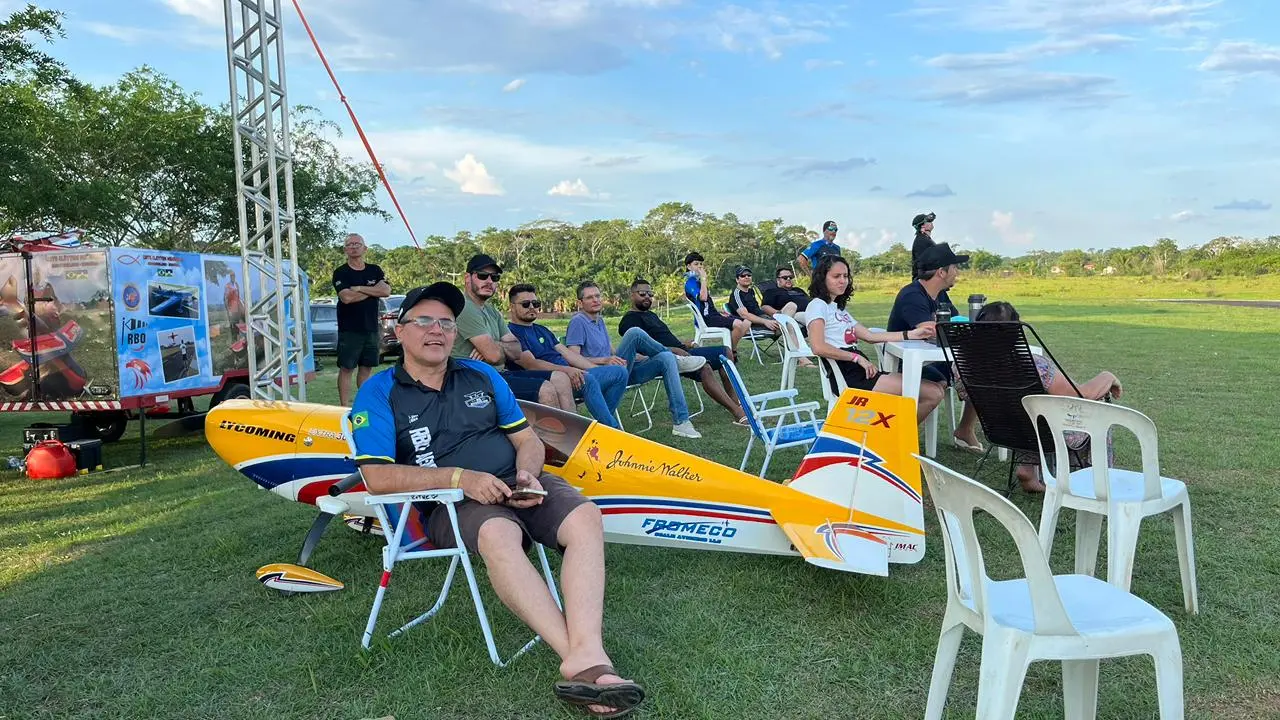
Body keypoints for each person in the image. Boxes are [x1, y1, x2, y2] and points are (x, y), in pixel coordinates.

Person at [349, 282, 645, 717]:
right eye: (425, 321)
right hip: (451, 501)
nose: (437, 331)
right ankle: (587, 664)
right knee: (498, 533)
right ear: (401, 329)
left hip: (518, 482)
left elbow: (526, 438)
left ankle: (586, 652)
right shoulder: (379, 391)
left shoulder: (481, 374)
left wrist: (529, 471)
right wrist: (460, 478)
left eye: (447, 323)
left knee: (585, 517)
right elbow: (375, 476)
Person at [957, 301, 1122, 494]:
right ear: (1016, 332)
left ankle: (1027, 470)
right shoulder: (1034, 366)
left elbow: (963, 395)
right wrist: (1107, 376)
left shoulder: (963, 366)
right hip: (1047, 434)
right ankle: (1100, 485)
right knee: (1098, 411)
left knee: (1024, 412)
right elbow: (1081, 395)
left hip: (1003, 431)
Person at [805, 255, 943, 424]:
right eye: (836, 276)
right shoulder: (817, 305)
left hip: (860, 371)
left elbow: (870, 336)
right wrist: (856, 358)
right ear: (822, 279)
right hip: (848, 374)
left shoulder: (838, 310)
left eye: (845, 276)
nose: (843, 281)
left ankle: (892, 437)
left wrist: (911, 334)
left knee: (936, 389)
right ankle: (896, 439)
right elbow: (818, 347)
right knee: (932, 393)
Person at [565, 281, 706, 439]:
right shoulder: (578, 322)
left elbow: (611, 351)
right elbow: (574, 358)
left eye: (597, 296)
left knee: (665, 359)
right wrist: (604, 360)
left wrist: (637, 357)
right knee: (634, 333)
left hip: (621, 370)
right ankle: (676, 359)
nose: (596, 300)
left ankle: (681, 422)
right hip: (601, 374)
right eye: (590, 297)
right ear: (580, 303)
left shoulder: (599, 320)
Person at [617, 278, 749, 426]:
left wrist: (684, 343)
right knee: (704, 367)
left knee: (725, 352)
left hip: (683, 351)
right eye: (642, 293)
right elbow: (641, 350)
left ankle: (736, 400)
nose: (647, 297)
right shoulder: (629, 321)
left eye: (650, 294)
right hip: (668, 358)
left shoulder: (651, 315)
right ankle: (737, 412)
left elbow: (665, 337)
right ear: (632, 295)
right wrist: (673, 350)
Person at [453, 254, 576, 411]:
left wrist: (495, 344)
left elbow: (517, 351)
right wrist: (499, 349)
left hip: (498, 374)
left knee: (560, 378)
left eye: (495, 277)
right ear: (467, 278)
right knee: (545, 389)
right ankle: (551, 435)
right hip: (475, 380)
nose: (489, 281)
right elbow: (494, 356)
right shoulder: (465, 307)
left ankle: (574, 435)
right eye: (482, 276)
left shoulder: (492, 311)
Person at [886, 242, 981, 444]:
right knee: (936, 388)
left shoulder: (941, 294)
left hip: (935, 359)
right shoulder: (912, 295)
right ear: (941, 272)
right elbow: (931, 331)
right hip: (910, 365)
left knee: (980, 371)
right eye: (955, 267)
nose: (957, 272)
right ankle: (894, 440)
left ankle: (965, 429)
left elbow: (954, 324)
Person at [505, 283, 630, 428]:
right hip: (552, 381)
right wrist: (568, 370)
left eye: (536, 303)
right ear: (512, 307)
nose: (532, 307)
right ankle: (613, 430)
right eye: (526, 304)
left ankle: (604, 425)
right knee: (587, 379)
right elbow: (531, 364)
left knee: (619, 372)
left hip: (573, 374)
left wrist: (595, 368)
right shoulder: (511, 333)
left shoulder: (542, 330)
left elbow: (568, 354)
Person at [332, 233, 391, 406]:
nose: (353, 246)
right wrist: (372, 290)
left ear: (365, 248)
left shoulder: (375, 270)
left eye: (357, 244)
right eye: (349, 244)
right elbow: (346, 298)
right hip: (349, 329)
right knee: (347, 368)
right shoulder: (341, 272)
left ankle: (364, 403)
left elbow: (385, 291)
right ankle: (343, 406)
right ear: (345, 250)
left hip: (371, 327)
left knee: (367, 368)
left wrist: (359, 288)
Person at [682, 252, 748, 359]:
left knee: (747, 322)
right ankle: (732, 354)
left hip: (713, 314)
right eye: (696, 264)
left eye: (701, 264)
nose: (699, 266)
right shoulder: (691, 282)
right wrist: (704, 278)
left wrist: (719, 311)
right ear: (689, 266)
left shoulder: (698, 281)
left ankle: (731, 350)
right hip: (706, 319)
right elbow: (703, 298)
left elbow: (706, 303)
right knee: (739, 324)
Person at [909, 212, 954, 310]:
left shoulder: (926, 239)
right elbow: (926, 263)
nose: (931, 223)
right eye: (928, 221)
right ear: (922, 226)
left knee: (948, 310)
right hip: (927, 282)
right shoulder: (921, 241)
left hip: (933, 280)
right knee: (944, 310)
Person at [725, 265, 781, 335]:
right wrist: (765, 321)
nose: (746, 277)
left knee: (789, 320)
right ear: (737, 280)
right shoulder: (737, 294)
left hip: (764, 318)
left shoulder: (751, 291)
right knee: (785, 326)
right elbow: (745, 315)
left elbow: (756, 309)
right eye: (743, 276)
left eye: (749, 275)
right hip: (754, 325)